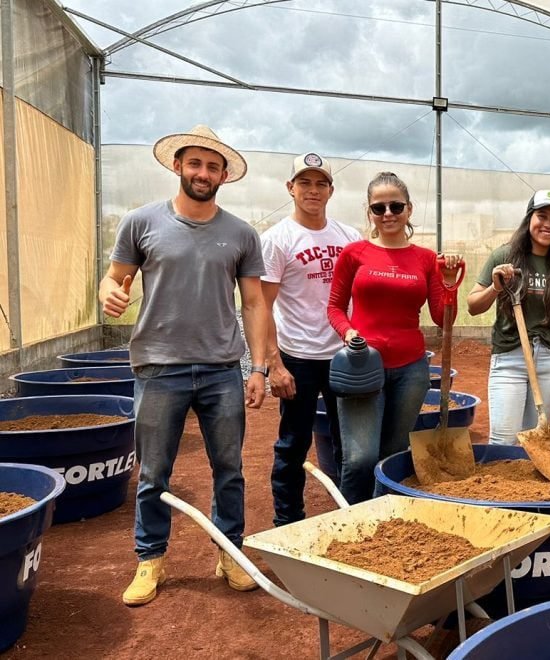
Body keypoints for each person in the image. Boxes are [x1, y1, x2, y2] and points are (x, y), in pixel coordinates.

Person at [100, 125, 269, 606]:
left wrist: (257, 367)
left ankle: (229, 550)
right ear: (177, 166)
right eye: (195, 163)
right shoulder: (140, 222)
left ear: (224, 176)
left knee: (229, 468)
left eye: (213, 166)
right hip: (158, 366)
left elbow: (254, 303)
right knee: (154, 471)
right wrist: (108, 292)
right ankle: (150, 558)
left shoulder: (240, 233)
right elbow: (114, 278)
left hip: (221, 368)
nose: (203, 173)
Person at [326, 171, 461, 504]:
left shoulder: (426, 259)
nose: (387, 214)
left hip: (411, 371)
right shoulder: (354, 254)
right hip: (361, 367)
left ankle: (383, 527)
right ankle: (350, 525)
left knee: (392, 455)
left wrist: (448, 284)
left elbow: (442, 318)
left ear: (409, 210)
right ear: (369, 212)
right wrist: (349, 332)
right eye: (379, 207)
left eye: (396, 206)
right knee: (359, 458)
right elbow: (334, 308)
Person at [260, 153, 361, 526]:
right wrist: (274, 364)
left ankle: (350, 517)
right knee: (292, 444)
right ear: (291, 188)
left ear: (331, 191)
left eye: (321, 183)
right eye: (305, 182)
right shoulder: (275, 240)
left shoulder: (349, 237)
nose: (313, 190)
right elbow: (261, 307)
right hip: (298, 357)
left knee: (350, 443)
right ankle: (287, 522)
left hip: (343, 356)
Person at [467, 190, 550, 446]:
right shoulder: (504, 257)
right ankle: (502, 487)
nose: (548, 224)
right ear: (529, 218)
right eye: (542, 216)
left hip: (549, 361)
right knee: (504, 439)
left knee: (534, 441)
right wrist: (496, 287)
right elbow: (473, 306)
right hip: (510, 357)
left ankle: (526, 488)